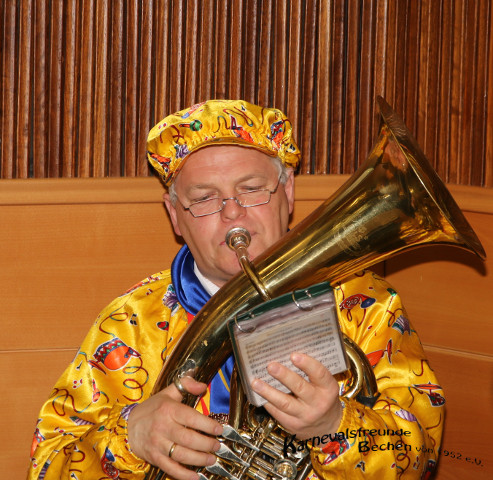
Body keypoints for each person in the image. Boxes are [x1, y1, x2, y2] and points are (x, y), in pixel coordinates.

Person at [28, 99, 444, 480]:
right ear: (175, 215)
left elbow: (420, 453)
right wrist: (131, 437)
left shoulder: (367, 304)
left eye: (251, 189)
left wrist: (334, 426)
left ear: (288, 192)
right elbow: (47, 464)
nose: (232, 212)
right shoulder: (132, 321)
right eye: (204, 198)